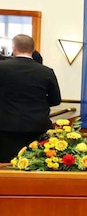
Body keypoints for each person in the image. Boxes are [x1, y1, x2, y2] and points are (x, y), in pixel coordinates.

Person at [0, 34, 61, 162]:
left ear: (14, 48)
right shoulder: (47, 71)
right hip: (36, 127)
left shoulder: (2, 67)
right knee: (34, 165)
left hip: (5, 126)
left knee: (5, 166)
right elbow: (56, 100)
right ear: (33, 50)